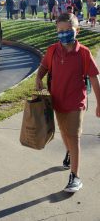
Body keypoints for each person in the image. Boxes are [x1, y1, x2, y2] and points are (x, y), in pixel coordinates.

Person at [35, 13, 100, 193]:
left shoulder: (84, 53)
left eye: (68, 30)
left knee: (73, 135)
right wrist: (38, 77)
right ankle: (70, 152)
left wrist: (99, 103)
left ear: (76, 31)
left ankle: (75, 177)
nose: (63, 34)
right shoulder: (52, 50)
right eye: (60, 31)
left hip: (76, 102)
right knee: (64, 131)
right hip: (57, 100)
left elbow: (94, 79)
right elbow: (43, 67)